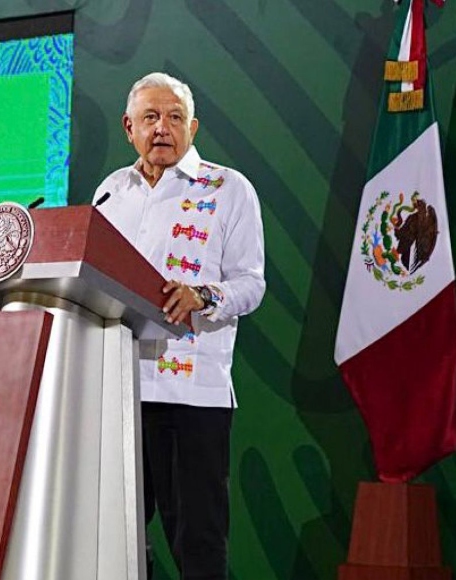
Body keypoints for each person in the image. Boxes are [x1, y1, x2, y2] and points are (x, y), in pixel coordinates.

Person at [93, 72, 266, 579]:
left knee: (199, 542)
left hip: (192, 393)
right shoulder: (110, 193)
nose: (162, 128)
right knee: (115, 536)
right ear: (129, 127)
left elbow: (251, 284)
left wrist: (204, 295)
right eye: (150, 117)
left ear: (193, 127)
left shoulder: (229, 188)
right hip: (119, 390)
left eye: (173, 117)